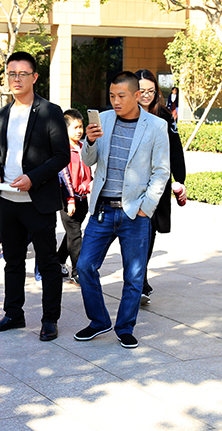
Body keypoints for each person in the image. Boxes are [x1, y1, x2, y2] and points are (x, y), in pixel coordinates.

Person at [74, 71, 170, 349]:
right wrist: (90, 141)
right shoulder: (103, 120)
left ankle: (125, 327)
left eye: (121, 96)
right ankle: (99, 321)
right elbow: (88, 160)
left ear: (137, 95)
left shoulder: (156, 126)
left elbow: (161, 172)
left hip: (134, 212)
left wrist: (145, 208)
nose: (116, 101)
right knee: (84, 266)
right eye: (112, 96)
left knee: (134, 275)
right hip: (102, 209)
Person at [0, 51, 69, 341]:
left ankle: (49, 319)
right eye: (11, 73)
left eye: (22, 73)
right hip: (8, 200)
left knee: (47, 263)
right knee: (13, 262)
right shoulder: (3, 113)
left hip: (38, 201)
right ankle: (13, 314)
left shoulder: (50, 111)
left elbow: (62, 156)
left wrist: (33, 178)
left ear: (34, 77)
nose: (16, 79)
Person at [135, 69, 187, 304]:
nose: (146, 95)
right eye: (142, 91)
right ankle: (137, 279)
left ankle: (140, 280)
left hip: (157, 183)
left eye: (151, 91)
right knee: (135, 232)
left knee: (149, 231)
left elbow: (175, 148)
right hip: (132, 184)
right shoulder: (125, 113)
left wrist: (180, 179)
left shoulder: (164, 115)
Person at [56, 109, 91, 284]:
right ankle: (77, 273)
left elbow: (88, 171)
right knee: (76, 236)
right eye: (75, 127)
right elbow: (64, 177)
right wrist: (70, 199)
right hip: (67, 199)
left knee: (72, 234)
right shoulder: (63, 150)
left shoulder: (83, 147)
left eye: (81, 127)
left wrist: (89, 185)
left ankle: (58, 261)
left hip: (82, 198)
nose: (79, 131)